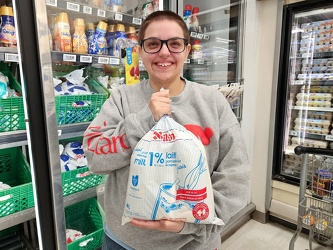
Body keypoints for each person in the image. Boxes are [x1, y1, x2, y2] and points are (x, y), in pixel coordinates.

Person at [83, 10, 250, 250]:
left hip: (194, 243)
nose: (164, 52)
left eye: (174, 44)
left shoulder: (212, 103)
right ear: (140, 51)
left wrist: (194, 225)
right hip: (125, 242)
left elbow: (236, 175)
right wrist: (142, 121)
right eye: (152, 44)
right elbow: (94, 157)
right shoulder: (121, 98)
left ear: (187, 51)